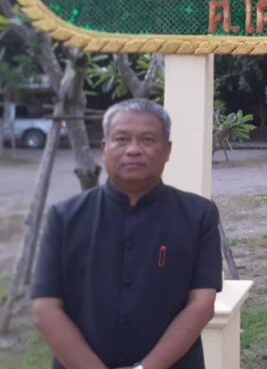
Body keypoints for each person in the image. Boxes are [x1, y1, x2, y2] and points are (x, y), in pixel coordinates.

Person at [31, 98, 222, 369]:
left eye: (147, 140)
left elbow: (202, 304)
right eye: (121, 139)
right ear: (104, 148)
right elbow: (45, 308)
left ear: (168, 150)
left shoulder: (198, 214)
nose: (133, 150)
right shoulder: (65, 217)